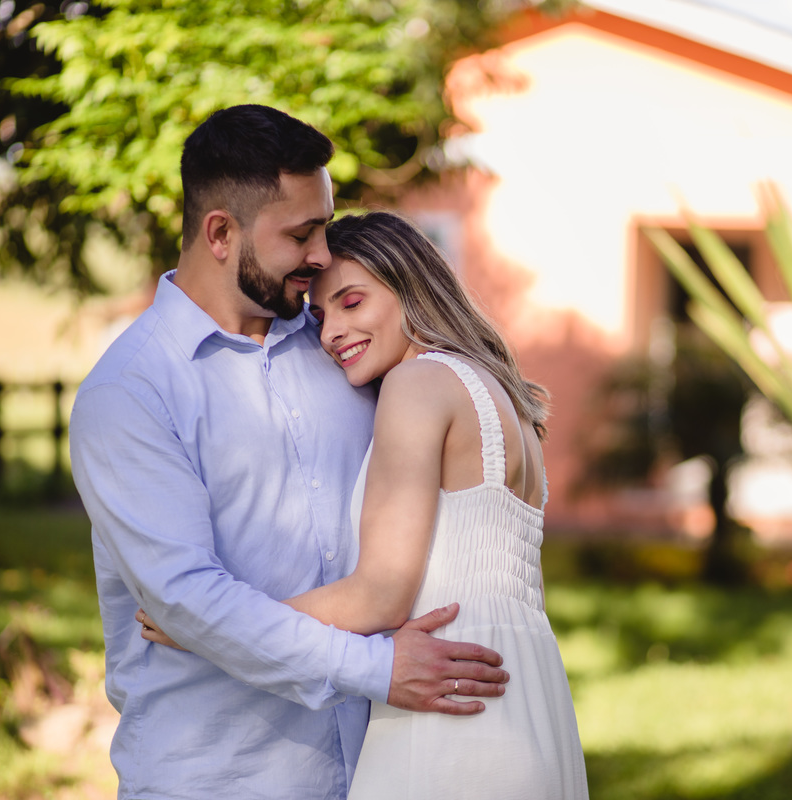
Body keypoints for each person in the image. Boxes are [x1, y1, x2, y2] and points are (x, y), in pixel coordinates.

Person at [69, 105, 508, 800]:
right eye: (302, 233)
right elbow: (187, 601)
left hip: (379, 766)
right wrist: (378, 668)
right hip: (217, 778)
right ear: (220, 233)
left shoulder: (345, 347)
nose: (324, 255)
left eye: (325, 228)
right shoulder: (131, 393)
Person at [146, 210, 589, 798]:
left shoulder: (417, 385)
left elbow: (379, 595)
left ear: (412, 288)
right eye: (322, 315)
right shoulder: (506, 400)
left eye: (353, 303)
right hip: (527, 698)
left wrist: (210, 625)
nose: (331, 334)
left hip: (447, 701)